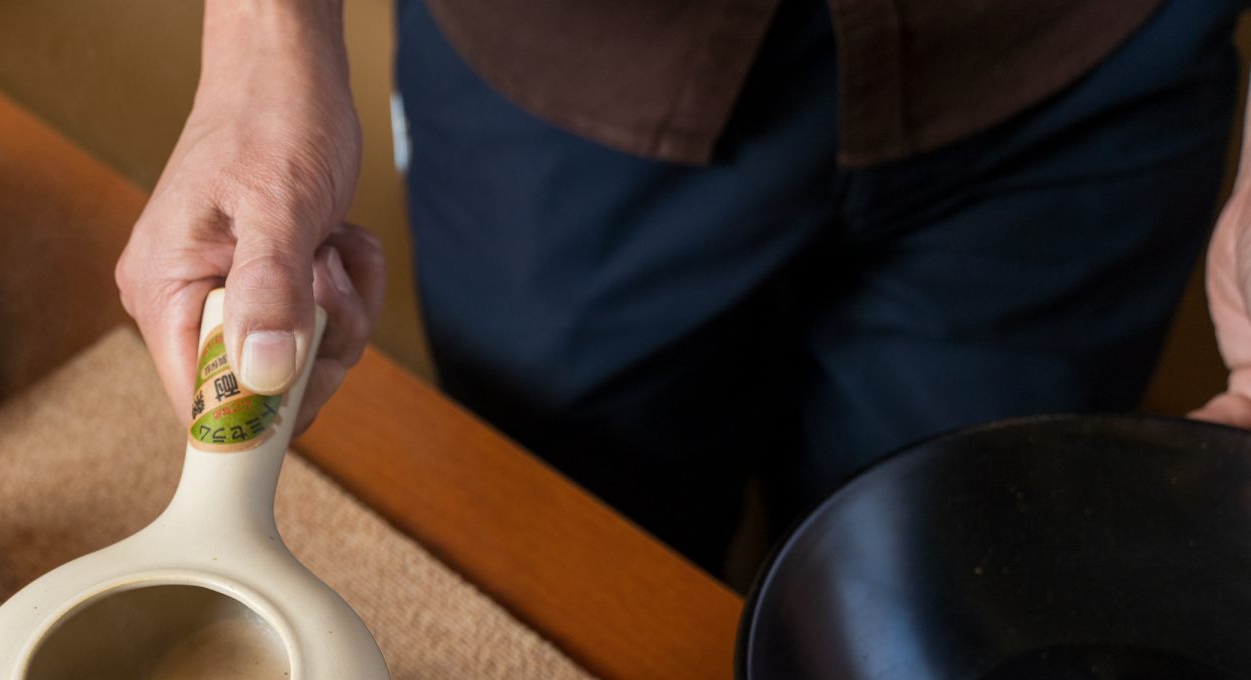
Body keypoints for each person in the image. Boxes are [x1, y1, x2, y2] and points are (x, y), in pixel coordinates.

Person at [116, 0, 1251, 572]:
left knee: (961, 569)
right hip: (571, 57)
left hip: (1071, 60)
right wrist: (264, 50)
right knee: (578, 548)